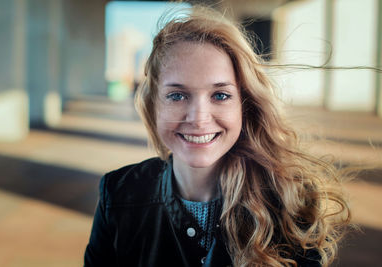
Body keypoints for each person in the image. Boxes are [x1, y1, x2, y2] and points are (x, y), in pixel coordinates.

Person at [84, 5, 351, 267]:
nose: (199, 119)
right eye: (177, 95)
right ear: (153, 104)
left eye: (220, 95)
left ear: (244, 105)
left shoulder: (290, 202)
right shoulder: (118, 194)